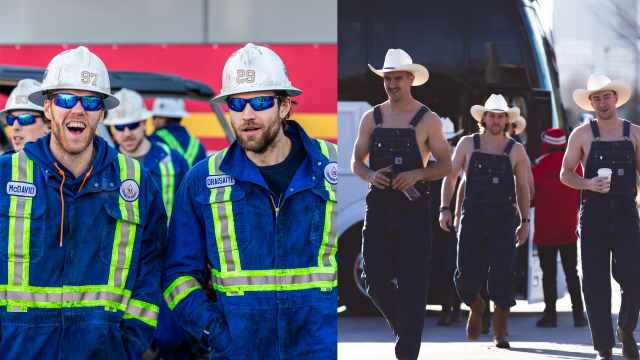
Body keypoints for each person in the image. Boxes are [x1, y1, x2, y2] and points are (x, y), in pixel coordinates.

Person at [161, 43, 338, 359]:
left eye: (259, 101)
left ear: (284, 106)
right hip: (239, 352)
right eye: (236, 103)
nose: (247, 114)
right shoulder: (201, 181)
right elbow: (177, 276)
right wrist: (214, 331)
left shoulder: (333, 169)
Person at [0, 46, 167, 359]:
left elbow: (151, 268)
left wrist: (127, 345)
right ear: (47, 108)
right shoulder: (5, 177)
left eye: (90, 101)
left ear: (102, 113)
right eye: (66, 99)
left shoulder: (136, 181)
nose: (77, 110)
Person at [352, 48, 452, 360]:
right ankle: (407, 332)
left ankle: (406, 353)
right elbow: (356, 162)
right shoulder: (372, 118)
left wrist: (417, 173)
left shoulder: (428, 120)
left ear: (411, 79)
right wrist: (370, 174)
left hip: (414, 211)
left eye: (397, 78)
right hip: (379, 209)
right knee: (374, 278)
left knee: (413, 285)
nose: (392, 84)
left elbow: (446, 165)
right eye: (387, 78)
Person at [104, 88, 190, 360]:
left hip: (162, 264)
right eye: (119, 126)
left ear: (145, 123)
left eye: (132, 125)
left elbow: (188, 215)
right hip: (115, 267)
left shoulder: (172, 161)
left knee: (171, 339)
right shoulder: (102, 162)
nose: (126, 133)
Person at [440, 94, 530, 348]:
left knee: (503, 273)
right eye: (492, 115)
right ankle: (476, 305)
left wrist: (525, 222)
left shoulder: (516, 150)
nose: (496, 120)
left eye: (501, 116)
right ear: (484, 118)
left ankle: (500, 330)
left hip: (504, 217)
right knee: (464, 273)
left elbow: (523, 189)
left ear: (506, 120)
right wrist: (446, 209)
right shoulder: (468, 144)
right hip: (473, 215)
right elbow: (451, 177)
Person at [561, 73, 640, 360]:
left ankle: (626, 330)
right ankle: (603, 349)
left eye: (607, 96)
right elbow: (565, 173)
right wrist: (587, 183)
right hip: (593, 215)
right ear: (591, 103)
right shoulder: (581, 135)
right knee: (594, 284)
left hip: (626, 214)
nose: (602, 102)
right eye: (596, 98)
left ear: (616, 99)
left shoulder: (635, 133)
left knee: (633, 277)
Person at [532, 128, 588, 328]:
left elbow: (530, 199)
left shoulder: (536, 170)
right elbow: (581, 196)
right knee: (571, 273)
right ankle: (579, 316)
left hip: (545, 230)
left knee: (548, 275)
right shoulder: (576, 170)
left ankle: (550, 316)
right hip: (568, 229)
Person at [429, 117, 463, 326]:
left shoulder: (458, 161)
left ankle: (456, 309)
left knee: (454, 264)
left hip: (456, 221)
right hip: (434, 222)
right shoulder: (425, 163)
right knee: (438, 264)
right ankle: (445, 309)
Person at [149, 97, 206, 168]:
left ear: (162, 119)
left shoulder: (152, 141)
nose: (152, 123)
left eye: (154, 118)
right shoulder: (197, 145)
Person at [0, 79, 50, 155]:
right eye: (10, 119)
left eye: (25, 119)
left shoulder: (69, 164)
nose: (15, 127)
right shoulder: (4, 165)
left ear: (50, 125)